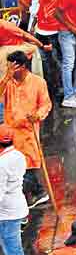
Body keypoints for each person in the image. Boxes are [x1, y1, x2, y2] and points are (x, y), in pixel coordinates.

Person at [0, 52, 50, 207]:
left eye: (11, 67)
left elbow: (45, 105)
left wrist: (37, 115)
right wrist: (7, 77)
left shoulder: (38, 82)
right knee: (13, 166)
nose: (8, 69)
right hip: (10, 132)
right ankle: (36, 193)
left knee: (26, 165)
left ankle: (35, 193)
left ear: (22, 67)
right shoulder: (7, 82)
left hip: (28, 131)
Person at [0, 127, 27, 255]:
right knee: (11, 251)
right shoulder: (18, 156)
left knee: (14, 254)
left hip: (6, 213)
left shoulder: (2, 164)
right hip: (17, 208)